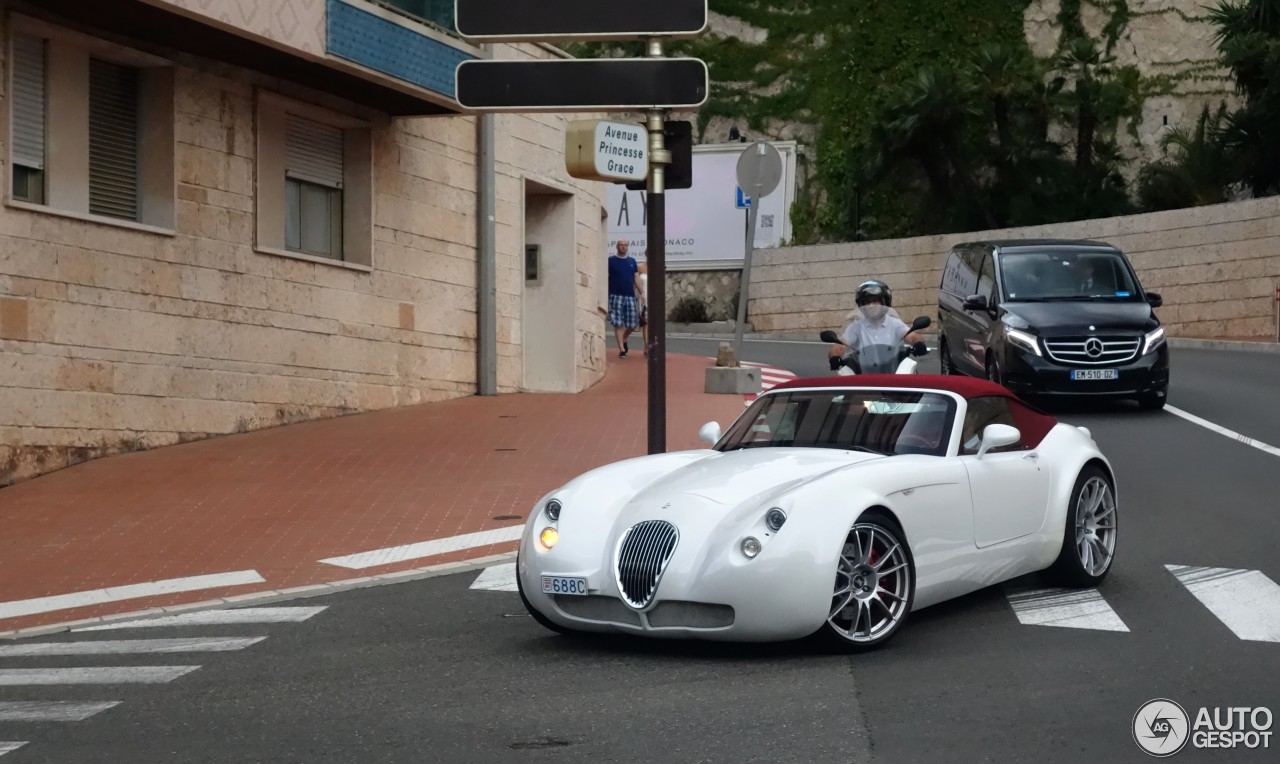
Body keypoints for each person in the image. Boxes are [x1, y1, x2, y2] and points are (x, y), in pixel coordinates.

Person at [828, 280, 926, 371]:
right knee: (846, 381)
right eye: (867, 302)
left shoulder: (894, 323)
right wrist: (835, 356)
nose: (871, 306)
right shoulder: (857, 326)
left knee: (911, 376)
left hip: (893, 370)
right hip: (864, 371)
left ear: (884, 303)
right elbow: (841, 344)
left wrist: (918, 343)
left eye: (875, 301)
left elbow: (911, 336)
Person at [608, 239, 644, 357]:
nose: (623, 247)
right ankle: (621, 349)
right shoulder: (610, 261)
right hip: (615, 295)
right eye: (621, 245)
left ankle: (623, 339)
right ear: (617, 247)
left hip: (629, 295)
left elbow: (636, 278)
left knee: (633, 324)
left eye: (625, 245)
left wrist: (641, 292)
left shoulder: (632, 261)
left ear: (628, 247)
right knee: (618, 323)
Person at [637, 260, 649, 357]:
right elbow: (635, 281)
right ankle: (647, 345)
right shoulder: (640, 267)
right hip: (643, 298)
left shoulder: (657, 267)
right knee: (645, 323)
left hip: (654, 298)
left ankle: (648, 346)